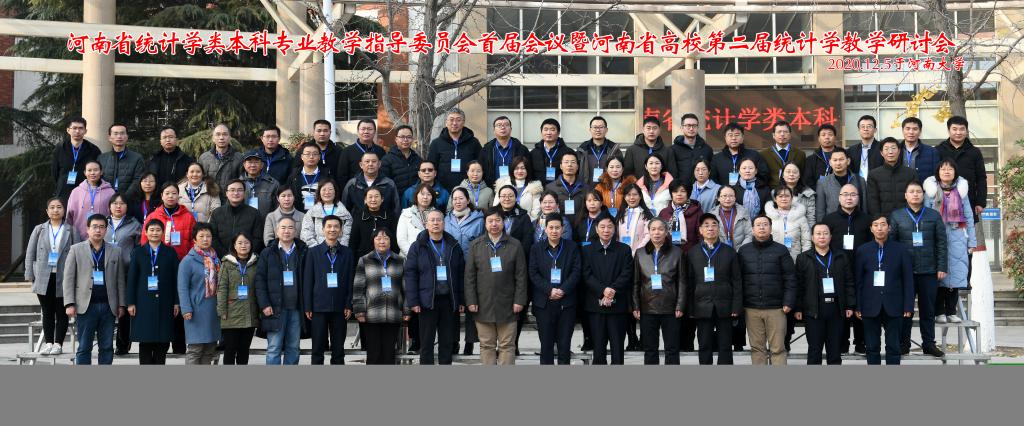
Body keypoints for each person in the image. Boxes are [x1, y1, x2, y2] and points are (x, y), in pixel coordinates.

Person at [890, 181, 947, 357]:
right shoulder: (897, 216)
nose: (915, 194)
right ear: (906, 195)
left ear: (923, 195)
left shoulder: (933, 215)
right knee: (905, 310)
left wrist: (942, 266)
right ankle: (903, 344)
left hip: (929, 271)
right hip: (905, 273)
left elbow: (941, 243)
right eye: (912, 191)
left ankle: (929, 344)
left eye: (918, 192)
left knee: (928, 311)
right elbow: (892, 245)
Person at [465, 208, 527, 365]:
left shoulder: (515, 245)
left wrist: (519, 300)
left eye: (498, 220)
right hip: (483, 304)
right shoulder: (476, 245)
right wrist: (471, 300)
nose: (494, 224)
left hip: (509, 304)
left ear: (503, 222)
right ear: (485, 224)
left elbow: (521, 276)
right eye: (490, 221)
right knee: (487, 345)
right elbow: (469, 276)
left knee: (507, 345)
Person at [63, 214, 126, 364]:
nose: (98, 230)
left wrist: (122, 304)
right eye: (95, 227)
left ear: (106, 230)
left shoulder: (116, 251)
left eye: (102, 227)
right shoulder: (76, 249)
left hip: (108, 306)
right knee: (84, 346)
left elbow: (120, 280)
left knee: (107, 347)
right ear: (87, 229)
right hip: (85, 306)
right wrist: (69, 303)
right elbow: (68, 278)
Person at [404, 210, 465, 365]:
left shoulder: (453, 245)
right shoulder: (418, 246)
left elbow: (460, 274)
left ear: (444, 224)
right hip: (426, 302)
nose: (436, 223)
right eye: (432, 220)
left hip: (448, 301)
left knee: (447, 343)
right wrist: (413, 301)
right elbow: (410, 275)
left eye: (439, 220)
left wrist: (461, 300)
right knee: (426, 343)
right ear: (426, 224)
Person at [855, 214, 915, 365]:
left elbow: (908, 279)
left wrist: (908, 305)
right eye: (876, 225)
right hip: (869, 305)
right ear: (871, 229)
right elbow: (858, 281)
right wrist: (858, 305)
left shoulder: (900, 250)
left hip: (895, 304)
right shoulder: (863, 250)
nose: (879, 228)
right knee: (872, 347)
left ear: (889, 228)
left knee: (894, 347)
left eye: (883, 224)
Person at [738, 215, 797, 365]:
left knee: (778, 348)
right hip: (751, 308)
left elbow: (790, 278)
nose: (762, 227)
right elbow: (738, 280)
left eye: (765, 224)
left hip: (776, 308)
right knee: (757, 348)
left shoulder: (781, 250)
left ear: (771, 228)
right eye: (758, 225)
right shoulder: (744, 251)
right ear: (752, 229)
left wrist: (788, 302)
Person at [821, 183, 872, 354]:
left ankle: (860, 342)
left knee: (861, 305)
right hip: (838, 270)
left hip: (862, 269)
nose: (849, 198)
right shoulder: (829, 220)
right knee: (840, 306)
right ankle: (842, 341)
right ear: (839, 197)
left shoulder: (867, 220)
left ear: (858, 198)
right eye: (845, 194)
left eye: (853, 195)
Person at [795, 223, 856, 365]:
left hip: (836, 309)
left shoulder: (841, 256)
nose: (822, 236)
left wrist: (850, 305)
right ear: (812, 237)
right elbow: (799, 285)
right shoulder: (803, 258)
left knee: (835, 352)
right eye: (818, 233)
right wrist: (798, 308)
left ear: (830, 236)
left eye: (825, 233)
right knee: (814, 351)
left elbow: (849, 282)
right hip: (814, 310)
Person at [924, 160, 976, 323]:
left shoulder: (961, 192)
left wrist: (972, 242)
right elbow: (925, 217)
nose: (947, 171)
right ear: (938, 173)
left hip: (957, 236)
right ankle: (939, 312)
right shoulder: (930, 192)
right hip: (936, 237)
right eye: (943, 169)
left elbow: (969, 217)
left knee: (955, 273)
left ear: (955, 172)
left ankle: (951, 311)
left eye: (950, 169)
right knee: (939, 275)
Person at [25, 198, 79, 355]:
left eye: (59, 207)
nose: (56, 210)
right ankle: (48, 343)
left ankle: (58, 344)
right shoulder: (39, 229)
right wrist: (29, 274)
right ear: (47, 211)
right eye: (52, 207)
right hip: (43, 276)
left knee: (62, 312)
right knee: (47, 311)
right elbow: (30, 252)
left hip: (64, 276)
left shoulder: (71, 230)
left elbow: (78, 254)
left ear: (64, 210)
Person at [687, 213, 742, 365]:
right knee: (704, 345)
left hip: (725, 305)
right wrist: (691, 308)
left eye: (714, 225)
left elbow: (737, 281)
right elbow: (689, 282)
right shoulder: (692, 253)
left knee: (725, 345)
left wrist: (736, 306)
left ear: (719, 229)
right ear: (700, 230)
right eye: (706, 225)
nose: (710, 228)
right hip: (702, 305)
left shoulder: (729, 252)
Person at [528, 212, 581, 365]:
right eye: (551, 228)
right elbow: (533, 273)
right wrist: (549, 290)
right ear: (545, 229)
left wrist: (563, 290)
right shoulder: (536, 248)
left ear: (562, 229)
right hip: (544, 303)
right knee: (546, 346)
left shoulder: (572, 247)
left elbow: (576, 271)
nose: (554, 231)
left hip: (566, 303)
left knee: (564, 346)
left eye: (557, 228)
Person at [581, 213, 634, 364]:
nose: (606, 230)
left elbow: (627, 273)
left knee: (617, 349)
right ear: (596, 229)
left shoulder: (624, 249)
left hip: (618, 307)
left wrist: (612, 290)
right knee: (598, 349)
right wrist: (602, 290)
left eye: (610, 227)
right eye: (602, 227)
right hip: (595, 307)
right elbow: (586, 275)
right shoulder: (587, 250)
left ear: (615, 229)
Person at [255, 217, 308, 365]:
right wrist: (264, 304)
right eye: (283, 228)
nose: (286, 231)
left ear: (295, 231)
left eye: (290, 227)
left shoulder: (303, 251)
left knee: (293, 347)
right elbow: (259, 281)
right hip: (275, 308)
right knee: (274, 347)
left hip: (297, 308)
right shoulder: (267, 252)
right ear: (277, 231)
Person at [632, 219, 685, 365]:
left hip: (671, 308)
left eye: (661, 229)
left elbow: (682, 281)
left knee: (672, 349)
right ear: (648, 231)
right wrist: (636, 306)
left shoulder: (677, 253)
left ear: (666, 232)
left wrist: (680, 305)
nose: (657, 232)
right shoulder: (640, 253)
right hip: (647, 307)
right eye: (653, 229)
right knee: (650, 349)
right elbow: (636, 282)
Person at [127, 219, 180, 364]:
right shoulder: (138, 252)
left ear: (163, 233)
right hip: (143, 303)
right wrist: (131, 302)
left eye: (158, 230)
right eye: (151, 230)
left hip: (165, 302)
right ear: (145, 232)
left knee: (162, 343)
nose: (155, 233)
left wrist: (176, 302)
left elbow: (176, 279)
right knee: (145, 342)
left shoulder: (170, 252)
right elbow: (132, 279)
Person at [303, 215, 355, 365]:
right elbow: (308, 281)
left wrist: (348, 304)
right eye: (329, 226)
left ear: (341, 230)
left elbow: (350, 281)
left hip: (340, 308)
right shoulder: (313, 252)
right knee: (317, 349)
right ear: (322, 229)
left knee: (338, 351)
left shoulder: (347, 253)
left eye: (336, 226)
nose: (332, 229)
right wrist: (308, 306)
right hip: (318, 307)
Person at [658, 181, 702, 350]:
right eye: (675, 191)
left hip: (690, 259)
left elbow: (700, 237)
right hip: (669, 261)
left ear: (688, 193)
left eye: (683, 191)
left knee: (688, 298)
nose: (679, 194)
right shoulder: (664, 212)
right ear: (671, 194)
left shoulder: (696, 211)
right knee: (671, 296)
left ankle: (687, 341)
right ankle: (672, 342)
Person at [353, 229, 408, 365]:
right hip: (371, 314)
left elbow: (406, 288)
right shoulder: (364, 260)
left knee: (389, 354)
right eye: (378, 238)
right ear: (373, 241)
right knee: (374, 354)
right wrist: (359, 311)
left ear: (391, 241)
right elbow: (358, 287)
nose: (382, 241)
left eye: (385, 238)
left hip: (394, 313)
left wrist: (406, 310)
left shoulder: (400, 260)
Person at [446, 187, 485, 354]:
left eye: (461, 198)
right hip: (451, 268)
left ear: (468, 200)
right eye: (454, 198)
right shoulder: (446, 219)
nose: (457, 201)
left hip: (472, 268)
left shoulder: (479, 219)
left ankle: (470, 342)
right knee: (452, 305)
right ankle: (453, 340)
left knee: (471, 305)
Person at [177, 224, 222, 365]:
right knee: (195, 349)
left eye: (208, 236)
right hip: (195, 310)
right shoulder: (188, 261)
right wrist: (186, 309)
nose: (205, 239)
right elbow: (182, 287)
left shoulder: (216, 259)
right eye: (201, 236)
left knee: (210, 348)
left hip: (213, 309)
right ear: (194, 239)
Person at [105, 194, 142, 355]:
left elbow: (140, 247)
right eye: (115, 203)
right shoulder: (102, 223)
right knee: (106, 309)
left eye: (122, 203)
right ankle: (106, 344)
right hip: (105, 271)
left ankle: (122, 345)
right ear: (109, 206)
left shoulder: (134, 224)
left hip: (126, 272)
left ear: (127, 206)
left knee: (124, 309)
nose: (118, 206)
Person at [217, 233, 259, 365]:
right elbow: (222, 287)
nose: (243, 245)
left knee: (244, 350)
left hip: (250, 312)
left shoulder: (256, 262)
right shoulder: (226, 263)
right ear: (234, 246)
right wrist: (222, 310)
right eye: (240, 243)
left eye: (246, 242)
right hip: (231, 313)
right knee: (230, 350)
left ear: (251, 245)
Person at [936, 116, 987, 224]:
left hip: (968, 199)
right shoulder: (938, 150)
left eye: (962, 129)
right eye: (954, 129)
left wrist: (980, 202)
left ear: (966, 131)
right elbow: (934, 176)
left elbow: (981, 178)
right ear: (948, 130)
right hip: (942, 200)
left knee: (967, 231)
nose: (958, 132)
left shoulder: (974, 152)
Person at [142, 182, 198, 261]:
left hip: (183, 260)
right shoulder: (152, 216)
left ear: (178, 195)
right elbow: (145, 239)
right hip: (158, 260)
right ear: (162, 196)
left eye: (174, 193)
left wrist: (190, 259)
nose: (170, 196)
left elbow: (194, 240)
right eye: (167, 193)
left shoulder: (188, 217)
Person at [429, 110, 482, 190]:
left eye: (458, 120)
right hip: (443, 189)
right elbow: (432, 167)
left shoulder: (473, 142)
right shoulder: (436, 143)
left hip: (468, 189)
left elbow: (480, 164)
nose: (454, 123)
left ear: (463, 122)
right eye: (451, 120)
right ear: (446, 122)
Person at [209, 179, 264, 256]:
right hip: (222, 258)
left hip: (247, 258)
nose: (236, 193)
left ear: (244, 193)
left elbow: (258, 238)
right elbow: (213, 237)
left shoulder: (254, 213)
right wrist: (227, 256)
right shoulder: (217, 213)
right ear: (226, 193)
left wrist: (244, 255)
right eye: (232, 190)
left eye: (240, 190)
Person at [54, 117, 102, 201]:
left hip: (86, 191)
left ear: (85, 131)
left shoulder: (93, 150)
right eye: (74, 128)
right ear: (68, 130)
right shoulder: (60, 148)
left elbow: (98, 172)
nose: (77, 131)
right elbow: (55, 172)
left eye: (80, 128)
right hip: (64, 191)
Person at [866, 137, 917, 215]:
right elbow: (872, 200)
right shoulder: (873, 174)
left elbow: (915, 197)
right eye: (886, 149)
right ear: (881, 153)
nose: (890, 152)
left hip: (907, 217)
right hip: (884, 219)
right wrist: (878, 218)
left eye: (893, 148)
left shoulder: (910, 173)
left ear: (899, 151)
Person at [66, 161, 115, 239]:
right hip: (79, 236)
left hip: (102, 236)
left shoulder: (110, 192)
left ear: (101, 172)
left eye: (95, 170)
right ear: (85, 173)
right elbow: (69, 216)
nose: (92, 173)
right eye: (89, 170)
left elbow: (113, 215)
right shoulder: (76, 191)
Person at [341, 151, 400, 215]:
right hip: (357, 220)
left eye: (374, 161)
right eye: (367, 161)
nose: (370, 164)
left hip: (384, 220)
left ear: (379, 164)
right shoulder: (352, 184)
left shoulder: (389, 183)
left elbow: (396, 208)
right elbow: (345, 209)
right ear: (361, 165)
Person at [710, 122, 768, 187]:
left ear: (742, 137)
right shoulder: (717, 158)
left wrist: (750, 187)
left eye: (737, 135)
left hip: (748, 192)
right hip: (725, 193)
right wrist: (722, 190)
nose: (733, 138)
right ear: (725, 138)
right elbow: (712, 179)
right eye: (730, 135)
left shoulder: (754, 155)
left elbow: (764, 175)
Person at [300, 178, 353, 248]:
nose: (327, 192)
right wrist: (317, 249)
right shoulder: (312, 212)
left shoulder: (345, 213)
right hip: (317, 251)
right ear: (319, 192)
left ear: (335, 191)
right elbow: (306, 233)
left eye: (330, 189)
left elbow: (347, 235)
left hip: (339, 251)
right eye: (324, 189)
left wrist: (340, 249)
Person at [815, 149, 866, 221]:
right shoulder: (823, 182)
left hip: (856, 222)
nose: (838, 163)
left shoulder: (859, 180)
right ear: (830, 162)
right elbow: (820, 210)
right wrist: (821, 225)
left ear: (848, 161)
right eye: (835, 160)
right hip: (832, 223)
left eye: (841, 159)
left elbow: (864, 206)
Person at [480, 116, 530, 187]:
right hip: (492, 188)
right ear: (494, 130)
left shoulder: (522, 149)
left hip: (516, 188)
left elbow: (529, 170)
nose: (503, 127)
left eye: (506, 125)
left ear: (511, 129)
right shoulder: (486, 150)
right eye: (499, 125)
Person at [765, 186, 812, 260]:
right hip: (773, 257)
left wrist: (804, 258)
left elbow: (806, 241)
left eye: (787, 196)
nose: (784, 199)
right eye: (780, 196)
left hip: (795, 257)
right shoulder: (769, 217)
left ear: (792, 198)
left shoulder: (800, 216)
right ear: (775, 199)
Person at [350, 187, 399, 257]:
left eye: (376, 196)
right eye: (370, 197)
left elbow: (394, 239)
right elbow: (353, 241)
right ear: (365, 200)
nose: (373, 200)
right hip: (364, 257)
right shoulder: (359, 216)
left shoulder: (390, 215)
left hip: (387, 257)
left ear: (382, 199)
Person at [338, 119, 387, 187]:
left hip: (377, 190)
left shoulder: (380, 151)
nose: (366, 132)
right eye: (363, 129)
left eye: (370, 129)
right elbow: (342, 176)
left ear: (375, 132)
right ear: (358, 131)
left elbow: (384, 172)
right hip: (354, 190)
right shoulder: (347, 151)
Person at [98, 123, 145, 193]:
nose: (119, 136)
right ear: (109, 137)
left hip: (128, 198)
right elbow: (98, 179)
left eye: (122, 133)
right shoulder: (102, 158)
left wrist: (124, 197)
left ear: (127, 137)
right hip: (106, 197)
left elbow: (138, 180)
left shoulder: (137, 158)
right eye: (115, 134)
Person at [198, 123, 245, 193]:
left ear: (229, 138)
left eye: (225, 134)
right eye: (218, 134)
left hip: (231, 198)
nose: (221, 138)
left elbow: (242, 181)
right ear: (213, 138)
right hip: (210, 197)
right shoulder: (204, 158)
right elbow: (199, 181)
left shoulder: (239, 158)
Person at [493, 156, 543, 221]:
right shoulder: (503, 184)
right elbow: (496, 206)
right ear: (512, 170)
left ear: (527, 170)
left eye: (523, 168)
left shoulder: (534, 187)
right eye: (516, 168)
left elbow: (536, 210)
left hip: (526, 223)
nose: (520, 171)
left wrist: (526, 222)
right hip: (504, 222)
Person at [578, 116, 624, 185]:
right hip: (587, 189)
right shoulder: (582, 149)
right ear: (590, 130)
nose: (598, 130)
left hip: (608, 188)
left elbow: (621, 171)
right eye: (595, 127)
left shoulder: (614, 149)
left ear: (606, 130)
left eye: (601, 127)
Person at [528, 118, 575, 187]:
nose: (548, 133)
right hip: (538, 190)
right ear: (541, 132)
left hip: (561, 190)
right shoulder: (533, 153)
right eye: (546, 129)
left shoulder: (568, 152)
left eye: (552, 130)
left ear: (558, 133)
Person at [671, 113, 714, 186]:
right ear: (682, 127)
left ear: (698, 127)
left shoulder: (707, 149)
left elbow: (712, 171)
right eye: (688, 125)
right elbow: (671, 172)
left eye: (694, 126)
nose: (691, 129)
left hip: (702, 188)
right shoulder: (673, 149)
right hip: (681, 189)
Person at [761, 120, 807, 188]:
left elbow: (803, 175)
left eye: (785, 132)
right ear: (773, 135)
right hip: (772, 191)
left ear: (790, 135)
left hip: (794, 190)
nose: (782, 134)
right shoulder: (764, 154)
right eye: (779, 132)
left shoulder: (800, 154)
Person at [380, 124, 422, 195]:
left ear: (412, 139)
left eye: (409, 137)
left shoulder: (418, 159)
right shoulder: (387, 159)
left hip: (414, 198)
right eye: (402, 137)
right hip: (396, 199)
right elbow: (384, 184)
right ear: (396, 139)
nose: (405, 140)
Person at [545, 154, 587, 223]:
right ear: (561, 166)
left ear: (577, 167)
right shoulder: (550, 188)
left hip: (581, 226)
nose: (569, 165)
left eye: (573, 162)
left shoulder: (586, 188)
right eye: (566, 162)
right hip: (559, 226)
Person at [397, 184, 437, 255]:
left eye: (429, 194)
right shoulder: (406, 213)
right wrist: (413, 255)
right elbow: (401, 240)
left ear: (432, 197)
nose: (425, 197)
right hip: (409, 256)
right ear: (416, 196)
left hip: (431, 257)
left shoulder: (437, 215)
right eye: (422, 194)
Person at [239, 151, 280, 217]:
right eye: (250, 162)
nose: (253, 165)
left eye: (256, 162)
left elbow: (278, 208)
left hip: (266, 222)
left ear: (262, 165)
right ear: (244, 164)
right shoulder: (238, 184)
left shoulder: (272, 184)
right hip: (243, 221)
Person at [900, 117, 940, 183]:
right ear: (902, 130)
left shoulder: (932, 152)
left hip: (923, 188)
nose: (911, 132)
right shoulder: (896, 150)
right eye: (908, 129)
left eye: (915, 129)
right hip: (900, 188)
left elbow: (936, 175)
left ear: (920, 131)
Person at [288, 143, 325, 213]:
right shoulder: (293, 176)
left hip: (321, 214)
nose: (311, 157)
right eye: (308, 154)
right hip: (298, 214)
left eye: (315, 154)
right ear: (302, 157)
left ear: (319, 157)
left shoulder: (326, 176)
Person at [616, 184, 652, 253]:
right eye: (628, 195)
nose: (632, 198)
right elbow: (616, 235)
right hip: (621, 253)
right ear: (624, 197)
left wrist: (637, 251)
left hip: (639, 253)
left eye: (635, 194)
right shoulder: (621, 214)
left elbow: (648, 235)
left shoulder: (646, 214)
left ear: (640, 196)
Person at [802, 124, 840, 189]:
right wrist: (820, 191)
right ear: (819, 139)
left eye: (830, 134)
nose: (827, 137)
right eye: (823, 135)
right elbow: (808, 180)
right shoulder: (811, 159)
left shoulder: (842, 157)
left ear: (835, 137)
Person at [849, 115, 884, 181]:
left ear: (875, 130)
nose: (865, 129)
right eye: (863, 127)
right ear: (859, 130)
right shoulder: (851, 150)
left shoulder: (882, 148)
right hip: (857, 185)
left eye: (869, 126)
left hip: (877, 184)